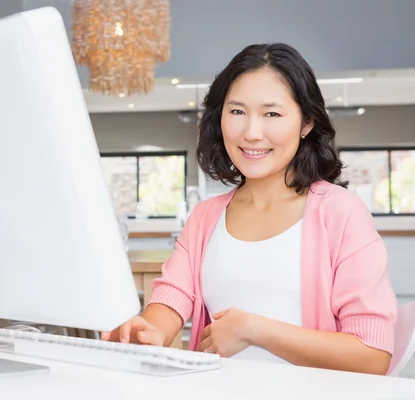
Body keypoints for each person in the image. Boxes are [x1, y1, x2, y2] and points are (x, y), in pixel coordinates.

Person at [101, 43, 398, 375]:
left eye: (272, 113)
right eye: (237, 111)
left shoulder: (342, 214)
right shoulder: (205, 218)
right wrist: (148, 331)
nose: (251, 133)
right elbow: (171, 300)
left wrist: (255, 330)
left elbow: (372, 356)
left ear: (306, 123)